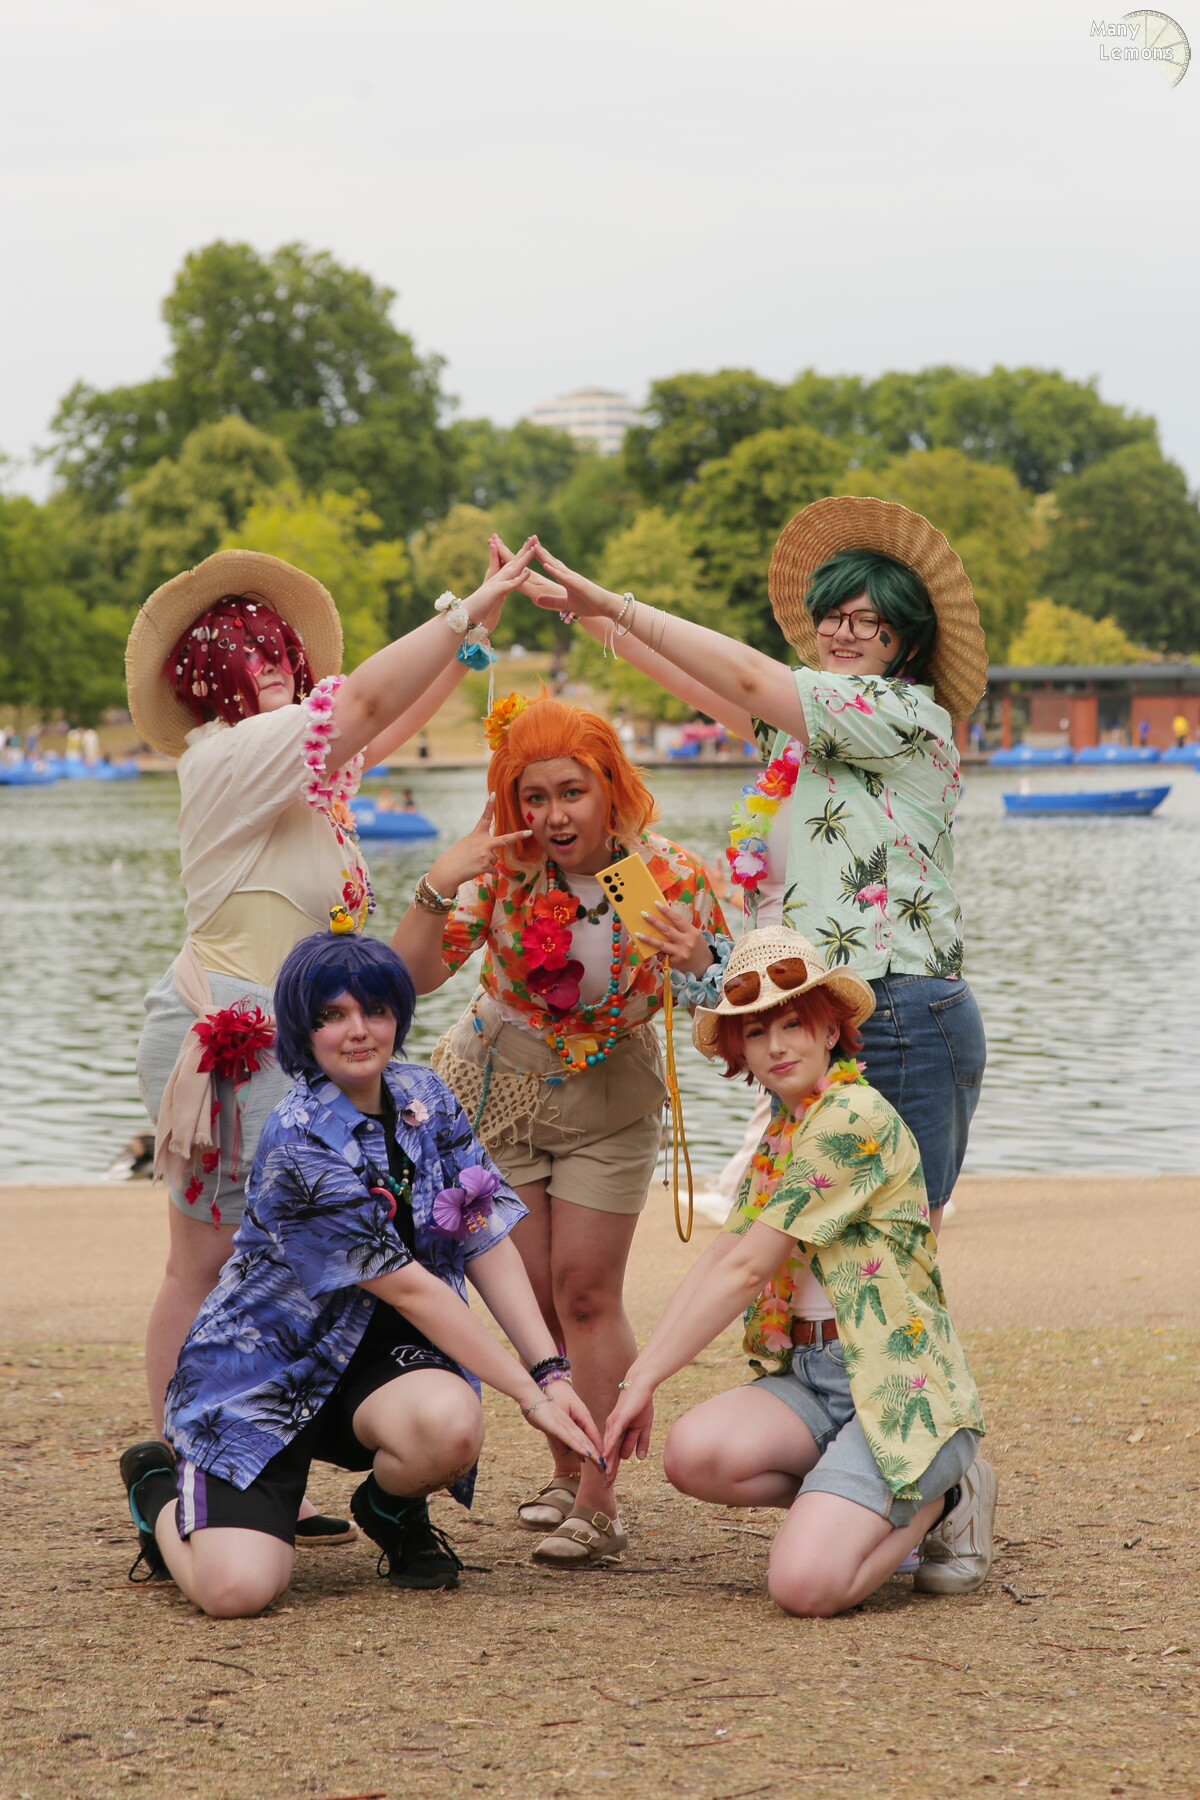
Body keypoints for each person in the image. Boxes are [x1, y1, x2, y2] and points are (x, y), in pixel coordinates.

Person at [127, 536, 538, 1478]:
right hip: (229, 1032)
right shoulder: (227, 758)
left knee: (284, 1257)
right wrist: (462, 610)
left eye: (279, 643)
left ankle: (258, 1450)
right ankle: (193, 1464)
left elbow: (379, 726)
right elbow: (361, 706)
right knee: (210, 1258)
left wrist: (473, 638)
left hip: (299, 1034)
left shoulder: (299, 772)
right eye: (242, 647)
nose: (271, 658)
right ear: (204, 678)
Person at [117, 931, 603, 1615]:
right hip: (265, 1375)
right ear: (302, 1029)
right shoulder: (298, 1140)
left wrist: (551, 1371)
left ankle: (389, 1509)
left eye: (374, 1010)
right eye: (332, 1015)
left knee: (450, 1424)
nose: (358, 1031)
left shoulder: (425, 1094)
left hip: (383, 1365)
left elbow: (483, 1232)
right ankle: (158, 1491)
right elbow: (409, 1287)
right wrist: (531, 1397)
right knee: (236, 1593)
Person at [392, 692, 731, 1565]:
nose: (553, 816)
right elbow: (409, 978)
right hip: (500, 1090)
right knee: (534, 1301)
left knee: (584, 1292)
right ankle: (565, 1464)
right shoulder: (506, 872)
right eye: (533, 797)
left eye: (572, 792)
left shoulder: (655, 875)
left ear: (610, 786)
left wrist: (699, 960)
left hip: (611, 1100)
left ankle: (599, 1499)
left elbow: (725, 1003)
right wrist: (443, 878)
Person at [603, 928, 992, 1616]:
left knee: (802, 1588)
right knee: (693, 1454)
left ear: (831, 1031)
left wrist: (646, 1379)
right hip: (813, 1375)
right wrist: (638, 1377)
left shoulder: (851, 1117)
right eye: (756, 1032)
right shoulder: (786, 1128)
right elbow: (722, 1254)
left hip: (894, 1379)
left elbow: (748, 1269)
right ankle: (855, 1501)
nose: (776, 1046)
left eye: (793, 1024)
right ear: (740, 1049)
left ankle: (944, 1494)